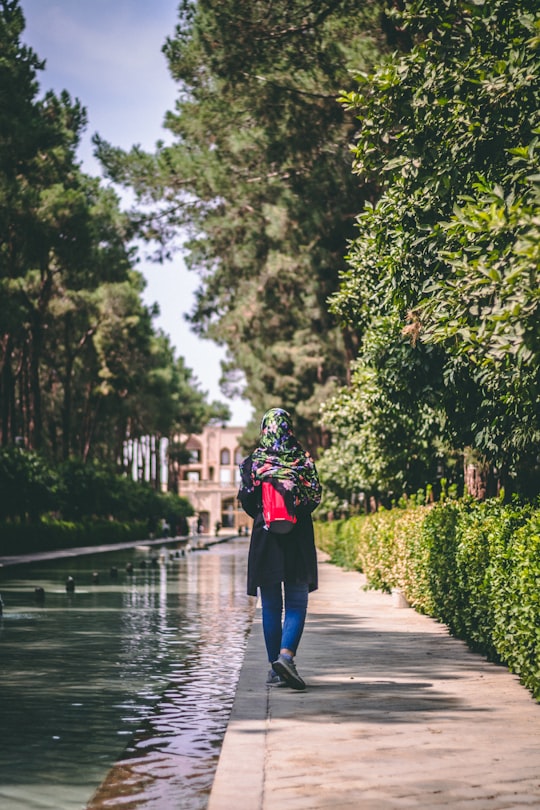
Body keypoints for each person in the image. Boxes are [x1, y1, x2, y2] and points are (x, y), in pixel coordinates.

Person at [238, 407, 322, 690]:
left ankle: (275, 668)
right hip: (297, 537)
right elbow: (315, 496)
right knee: (297, 602)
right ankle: (286, 657)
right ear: (288, 429)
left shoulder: (253, 464)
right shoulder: (302, 461)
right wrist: (294, 512)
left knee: (271, 605)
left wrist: (267, 514)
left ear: (265, 429)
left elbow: (247, 501)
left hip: (265, 538)